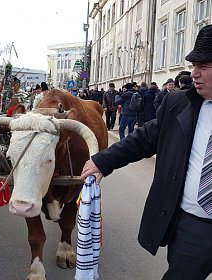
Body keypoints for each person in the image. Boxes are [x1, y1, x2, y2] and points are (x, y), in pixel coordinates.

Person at [80, 25, 212, 279]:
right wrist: (102, 161)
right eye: (194, 65)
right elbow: (143, 139)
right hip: (194, 226)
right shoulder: (179, 104)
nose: (193, 74)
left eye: (204, 66)